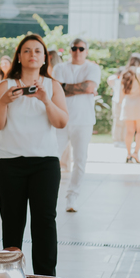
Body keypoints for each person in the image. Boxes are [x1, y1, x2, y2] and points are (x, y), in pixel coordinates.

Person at [0, 34, 69, 276]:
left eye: (37, 51)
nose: (32, 54)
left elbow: (61, 121)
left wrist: (46, 100)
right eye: (27, 51)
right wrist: (3, 102)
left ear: (44, 58)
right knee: (12, 224)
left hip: (45, 163)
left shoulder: (53, 86)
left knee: (44, 223)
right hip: (9, 163)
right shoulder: (5, 86)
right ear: (19, 57)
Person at [52, 37, 102, 212]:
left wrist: (65, 87)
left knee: (80, 160)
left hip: (83, 121)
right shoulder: (60, 68)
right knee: (52, 157)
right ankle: (49, 194)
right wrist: (78, 88)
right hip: (61, 120)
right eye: (74, 48)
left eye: (81, 49)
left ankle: (72, 197)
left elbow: (89, 87)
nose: (77, 52)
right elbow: (56, 89)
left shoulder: (93, 68)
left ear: (86, 51)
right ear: (70, 50)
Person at [118, 65, 140, 163]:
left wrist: (121, 101)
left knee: (129, 131)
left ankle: (128, 154)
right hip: (139, 103)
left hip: (127, 103)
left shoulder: (125, 72)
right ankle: (136, 153)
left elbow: (121, 91)